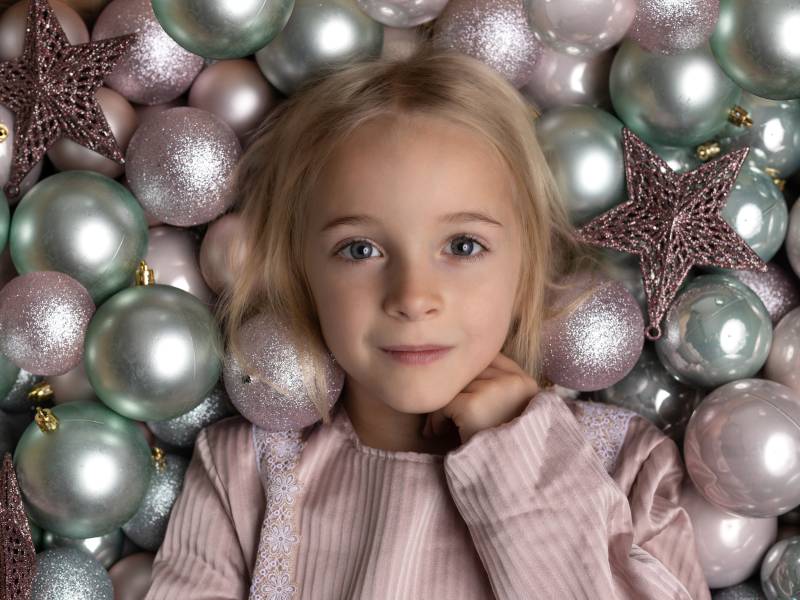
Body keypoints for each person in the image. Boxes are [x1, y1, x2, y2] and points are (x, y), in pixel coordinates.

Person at [144, 43, 711, 600]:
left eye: (463, 246)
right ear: (301, 270)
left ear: (527, 265)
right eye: (360, 250)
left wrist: (522, 461)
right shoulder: (246, 477)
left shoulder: (626, 466)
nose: (413, 298)